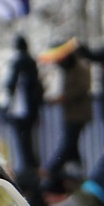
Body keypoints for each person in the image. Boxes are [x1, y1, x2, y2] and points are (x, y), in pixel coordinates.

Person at [40, 39, 93, 175]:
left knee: (69, 143)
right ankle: (76, 172)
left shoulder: (80, 67)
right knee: (72, 146)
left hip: (79, 113)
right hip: (72, 113)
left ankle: (51, 169)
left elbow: (82, 88)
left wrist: (63, 98)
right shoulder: (69, 68)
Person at [5, 35, 44, 171]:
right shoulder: (31, 62)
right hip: (31, 108)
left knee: (23, 142)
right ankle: (33, 166)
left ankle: (28, 169)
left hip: (20, 109)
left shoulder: (17, 61)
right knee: (30, 141)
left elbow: (10, 84)